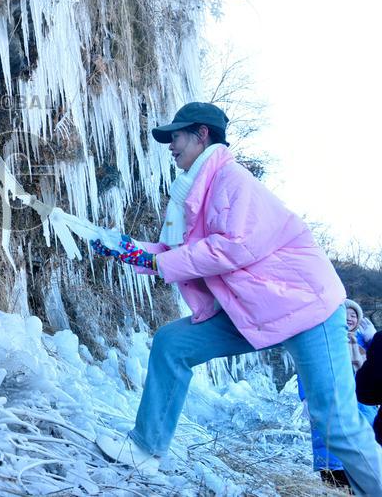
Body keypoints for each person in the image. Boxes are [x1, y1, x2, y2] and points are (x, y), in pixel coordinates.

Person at [90, 102, 382, 495]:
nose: (170, 145)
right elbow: (176, 250)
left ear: (202, 135)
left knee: (337, 423)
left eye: (176, 136)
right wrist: (129, 251)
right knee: (173, 344)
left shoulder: (232, 180)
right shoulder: (195, 190)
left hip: (308, 308)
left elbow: (233, 247)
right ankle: (145, 448)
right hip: (257, 309)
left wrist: (156, 263)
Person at [298, 299, 379, 488]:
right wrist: (306, 398)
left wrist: (374, 342)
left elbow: (377, 371)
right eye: (346, 313)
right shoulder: (324, 339)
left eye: (354, 315)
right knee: (332, 455)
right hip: (331, 401)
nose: (350, 318)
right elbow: (307, 368)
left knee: (367, 458)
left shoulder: (365, 343)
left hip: (364, 409)